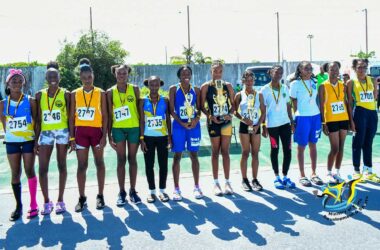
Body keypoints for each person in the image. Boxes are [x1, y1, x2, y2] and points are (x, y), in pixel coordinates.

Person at [69, 58, 108, 212]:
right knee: (82, 166)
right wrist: (72, 137)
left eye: (89, 77)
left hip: (96, 132)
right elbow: (71, 116)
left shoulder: (101, 93)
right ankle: (82, 197)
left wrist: (104, 135)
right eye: (84, 78)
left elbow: (105, 115)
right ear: (80, 78)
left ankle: (100, 195)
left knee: (99, 163)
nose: (87, 80)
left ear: (93, 77)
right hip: (81, 133)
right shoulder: (74, 94)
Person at [0, 69, 38, 220]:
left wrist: (36, 141)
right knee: (15, 174)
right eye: (13, 81)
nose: (16, 83)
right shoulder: (2, 104)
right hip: (12, 143)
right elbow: (4, 123)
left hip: (28, 141)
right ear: (7, 84)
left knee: (29, 170)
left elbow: (37, 122)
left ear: (24, 83)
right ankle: (18, 206)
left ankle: (33, 204)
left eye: (19, 81)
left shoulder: (31, 100)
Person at [34, 61, 70, 215]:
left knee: (62, 165)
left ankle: (60, 200)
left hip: (62, 132)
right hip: (46, 133)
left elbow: (70, 118)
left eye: (55, 75)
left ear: (59, 77)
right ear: (46, 78)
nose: (53, 78)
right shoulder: (39, 95)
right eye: (50, 76)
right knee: (43, 168)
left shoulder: (66, 94)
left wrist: (72, 138)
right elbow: (38, 119)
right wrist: (36, 140)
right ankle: (46, 201)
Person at [106, 64, 142, 206]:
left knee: (132, 159)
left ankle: (133, 190)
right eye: (119, 73)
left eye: (124, 73)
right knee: (121, 160)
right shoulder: (110, 92)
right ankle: (121, 192)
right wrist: (109, 135)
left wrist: (141, 135)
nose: (122, 75)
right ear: (115, 74)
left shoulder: (135, 89)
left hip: (134, 128)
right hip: (118, 129)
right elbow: (108, 115)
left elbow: (139, 112)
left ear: (128, 74)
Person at [200, 60, 235, 196]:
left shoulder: (228, 86)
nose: (218, 73)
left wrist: (230, 114)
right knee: (215, 152)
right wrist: (209, 116)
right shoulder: (206, 87)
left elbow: (233, 105)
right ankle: (216, 183)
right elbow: (202, 106)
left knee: (225, 152)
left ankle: (227, 182)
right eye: (215, 71)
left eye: (220, 71)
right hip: (213, 122)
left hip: (226, 122)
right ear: (211, 71)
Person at [169, 66, 203, 200]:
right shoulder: (173, 89)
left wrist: (196, 119)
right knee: (177, 156)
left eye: (188, 73)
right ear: (179, 76)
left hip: (194, 126)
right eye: (183, 74)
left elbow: (199, 108)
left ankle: (196, 186)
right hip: (178, 126)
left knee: (194, 155)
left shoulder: (196, 89)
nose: (186, 76)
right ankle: (176, 189)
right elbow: (171, 110)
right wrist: (181, 122)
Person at [261, 65, 296, 189]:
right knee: (274, 150)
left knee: (288, 150)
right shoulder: (264, 90)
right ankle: (277, 178)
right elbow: (263, 110)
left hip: (285, 124)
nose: (279, 74)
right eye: (276, 72)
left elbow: (288, 106)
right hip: (272, 126)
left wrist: (292, 122)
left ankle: (285, 176)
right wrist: (263, 125)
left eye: (281, 72)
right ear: (270, 73)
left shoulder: (285, 88)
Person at [319, 62, 354, 183]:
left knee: (341, 147)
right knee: (335, 148)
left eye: (336, 69)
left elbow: (347, 103)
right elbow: (321, 105)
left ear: (339, 71)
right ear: (327, 71)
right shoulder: (323, 86)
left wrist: (350, 121)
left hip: (343, 118)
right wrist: (323, 123)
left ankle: (337, 171)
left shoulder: (343, 85)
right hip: (331, 119)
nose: (334, 71)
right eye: (331, 69)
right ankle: (328, 172)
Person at [290, 61, 323, 187]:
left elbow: (316, 100)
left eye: (310, 68)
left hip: (315, 116)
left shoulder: (314, 82)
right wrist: (294, 119)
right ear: (300, 70)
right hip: (302, 117)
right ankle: (302, 175)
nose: (309, 70)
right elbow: (293, 102)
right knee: (301, 146)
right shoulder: (295, 84)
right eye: (306, 68)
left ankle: (314, 173)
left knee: (313, 145)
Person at [347, 59, 380, 182]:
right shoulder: (351, 82)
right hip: (359, 112)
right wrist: (351, 121)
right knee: (358, 142)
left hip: (372, 113)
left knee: (368, 142)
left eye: (364, 67)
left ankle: (368, 170)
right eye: (359, 67)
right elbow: (349, 102)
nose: (362, 70)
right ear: (355, 68)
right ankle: (356, 170)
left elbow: (375, 97)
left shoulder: (372, 80)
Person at [139, 76, 171, 203]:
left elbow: (168, 119)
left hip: (162, 137)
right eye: (151, 85)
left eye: (156, 84)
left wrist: (170, 136)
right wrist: (141, 139)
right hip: (148, 137)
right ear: (147, 86)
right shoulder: (142, 101)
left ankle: (162, 190)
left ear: (160, 85)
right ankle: (151, 191)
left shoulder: (165, 100)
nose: (154, 87)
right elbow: (141, 120)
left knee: (163, 165)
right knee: (149, 165)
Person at [234, 70, 264, 191]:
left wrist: (258, 125)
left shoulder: (259, 95)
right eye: (247, 80)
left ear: (254, 81)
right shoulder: (239, 95)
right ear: (243, 81)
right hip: (244, 126)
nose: (249, 82)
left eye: (251, 80)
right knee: (245, 153)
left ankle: (255, 179)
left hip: (256, 126)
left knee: (255, 153)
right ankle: (244, 179)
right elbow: (234, 111)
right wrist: (243, 118)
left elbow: (263, 112)